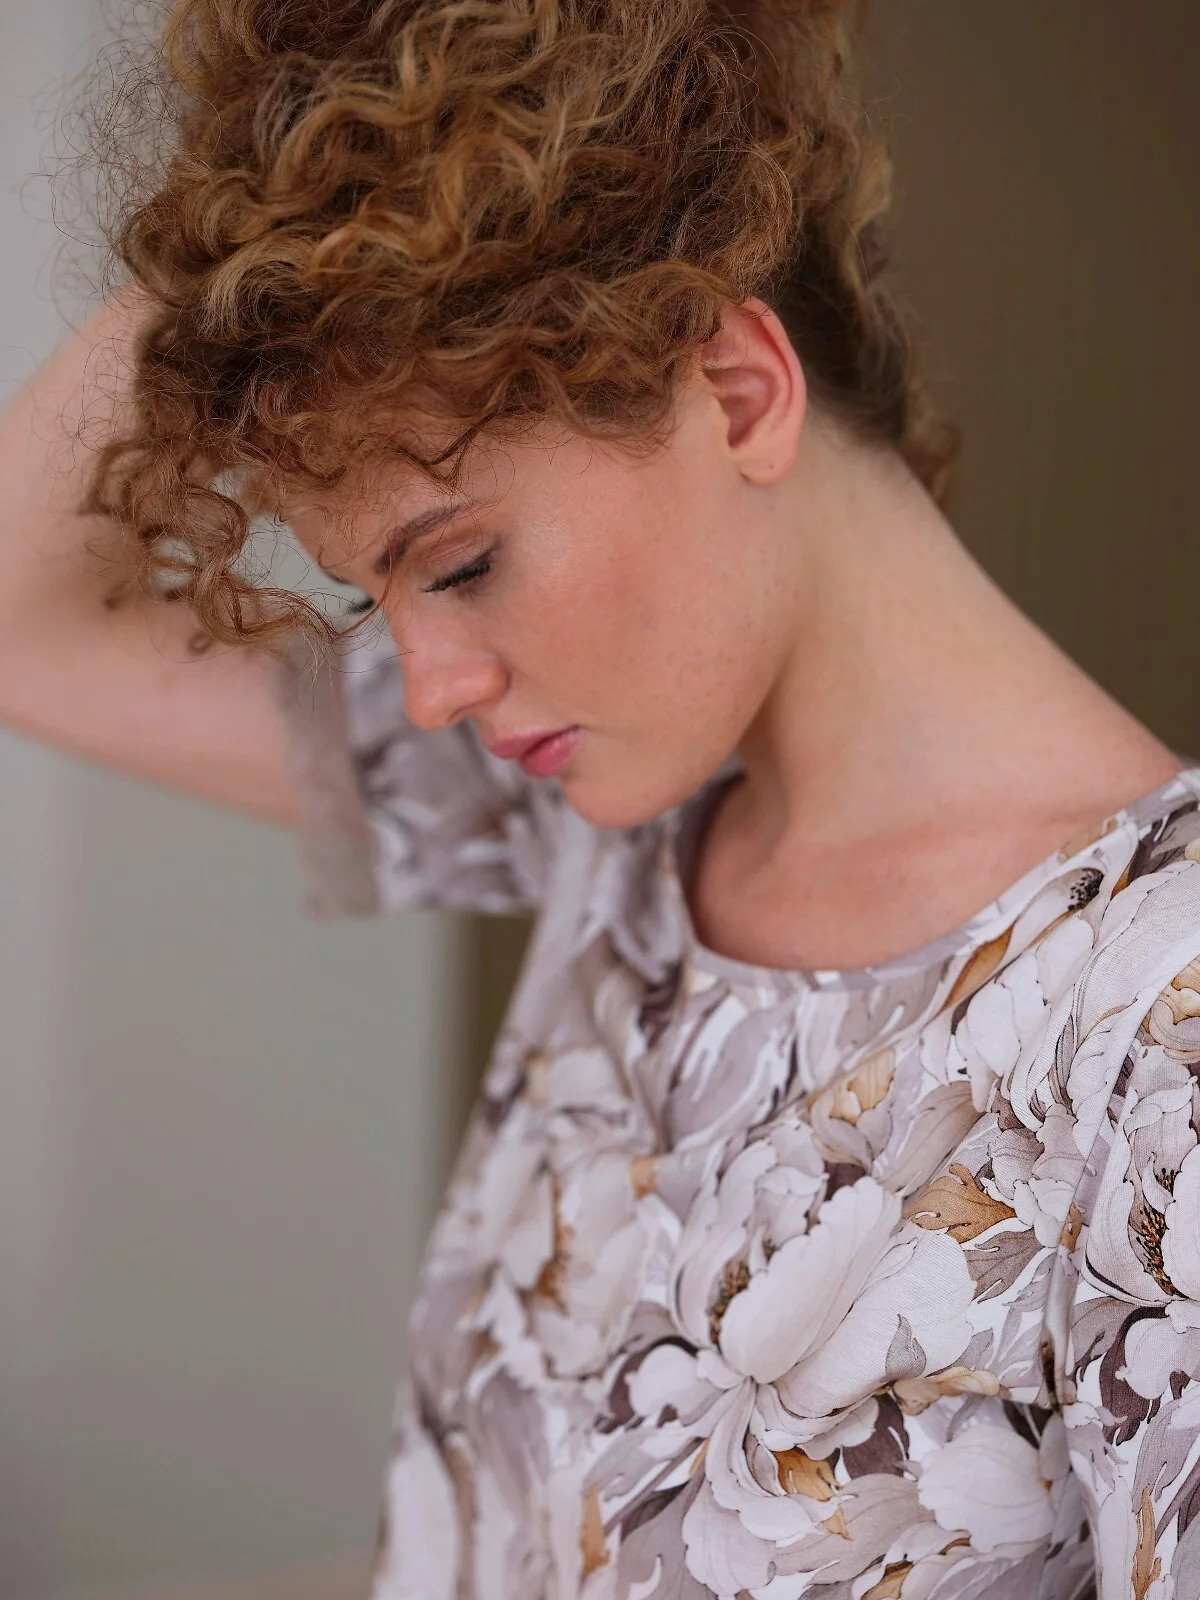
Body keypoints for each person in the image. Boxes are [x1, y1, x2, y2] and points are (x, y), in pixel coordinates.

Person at [2, 1, 1199, 1595]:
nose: (432, 684)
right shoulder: (608, 801)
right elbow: (23, 624)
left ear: (739, 391)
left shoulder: (1155, 1032)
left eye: (460, 565)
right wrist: (266, 223)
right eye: (377, 597)